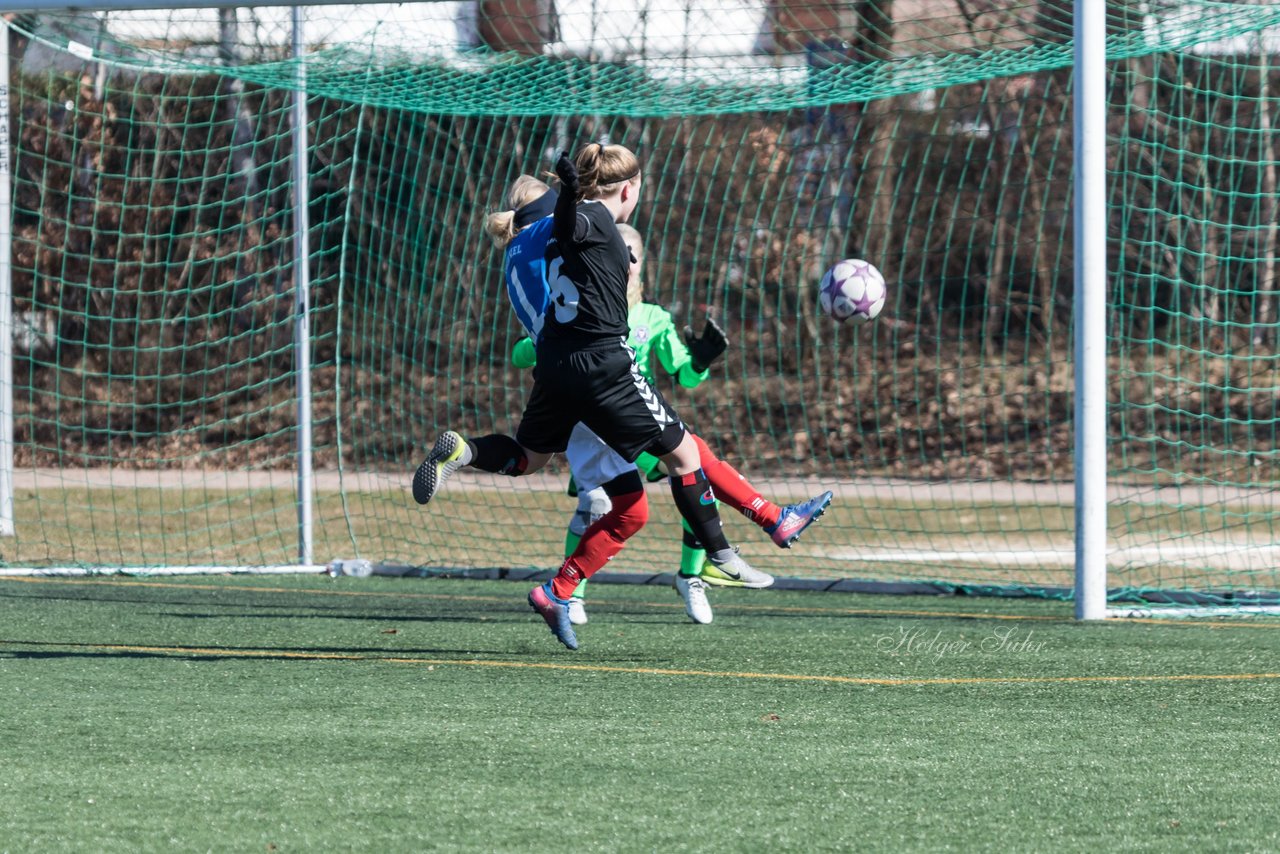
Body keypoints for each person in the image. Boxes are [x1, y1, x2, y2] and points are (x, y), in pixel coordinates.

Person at [413, 143, 772, 651]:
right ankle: (724, 553)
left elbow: (680, 372)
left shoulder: (522, 248)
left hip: (557, 370)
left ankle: (474, 464)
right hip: (597, 374)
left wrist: (699, 360)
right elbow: (575, 222)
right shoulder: (568, 228)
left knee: (545, 466)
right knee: (685, 459)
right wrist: (575, 193)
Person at [512, 221, 832, 625]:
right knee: (613, 499)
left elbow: (684, 374)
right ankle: (574, 593)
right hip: (594, 422)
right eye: (617, 251)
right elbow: (521, 355)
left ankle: (690, 574)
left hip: (633, 420)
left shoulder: (653, 317)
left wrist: (699, 360)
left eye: (633, 256)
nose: (624, 263)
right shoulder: (576, 307)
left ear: (641, 265)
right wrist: (542, 343)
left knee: (687, 474)